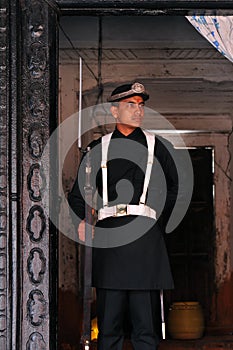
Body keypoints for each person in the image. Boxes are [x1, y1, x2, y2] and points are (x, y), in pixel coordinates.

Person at [68, 82, 178, 350]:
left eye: (141, 105)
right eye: (131, 105)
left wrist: (154, 221)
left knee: (145, 328)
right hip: (110, 242)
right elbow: (78, 195)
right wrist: (84, 219)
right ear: (115, 112)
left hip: (145, 242)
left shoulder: (157, 147)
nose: (138, 111)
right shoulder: (98, 148)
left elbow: (176, 189)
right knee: (109, 327)